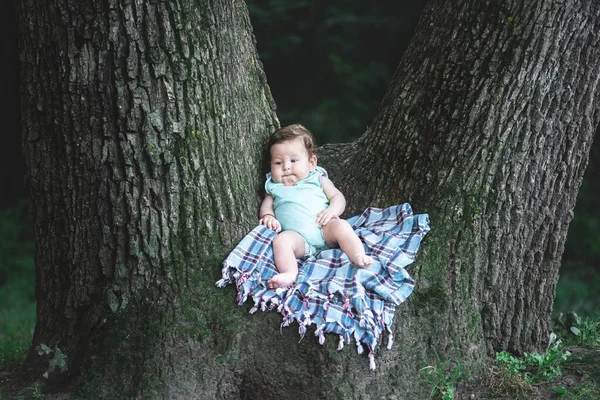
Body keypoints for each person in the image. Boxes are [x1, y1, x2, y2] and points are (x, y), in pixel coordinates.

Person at [259, 124, 373, 289]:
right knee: (281, 241)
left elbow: (337, 197)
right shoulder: (273, 186)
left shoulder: (317, 179)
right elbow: (266, 206)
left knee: (341, 225)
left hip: (324, 228)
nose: (286, 167)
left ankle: (358, 255)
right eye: (278, 162)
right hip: (298, 239)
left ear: (311, 162)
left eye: (293, 160)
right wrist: (268, 216)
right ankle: (290, 273)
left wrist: (332, 210)